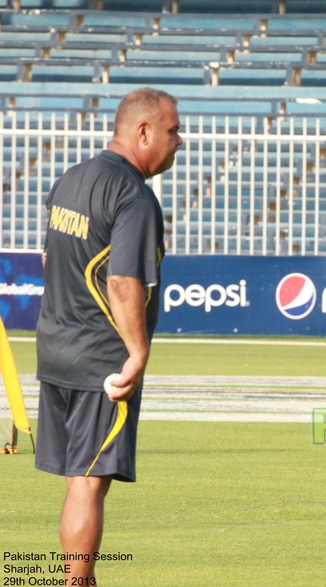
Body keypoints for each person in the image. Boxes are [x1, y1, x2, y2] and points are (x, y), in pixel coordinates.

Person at [34, 87, 182, 584]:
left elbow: (48, 261)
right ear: (143, 132)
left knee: (80, 480)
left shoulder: (70, 179)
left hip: (57, 351)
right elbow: (122, 281)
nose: (179, 140)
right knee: (88, 485)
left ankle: (82, 578)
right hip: (102, 362)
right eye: (172, 129)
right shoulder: (133, 195)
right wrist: (137, 355)